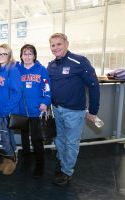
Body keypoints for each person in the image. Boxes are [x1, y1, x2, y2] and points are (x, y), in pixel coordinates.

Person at [47, 33, 100, 186]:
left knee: (71, 142)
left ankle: (67, 171)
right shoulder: (51, 65)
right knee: (59, 139)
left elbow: (93, 86)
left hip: (74, 112)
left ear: (67, 44)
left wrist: (93, 110)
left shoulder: (79, 61)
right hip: (56, 110)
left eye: (59, 44)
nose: (56, 47)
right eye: (53, 45)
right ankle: (63, 163)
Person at [16, 44, 51, 178]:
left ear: (34, 56)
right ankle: (26, 159)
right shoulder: (17, 69)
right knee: (24, 137)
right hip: (22, 111)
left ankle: (40, 164)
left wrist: (45, 102)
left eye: (30, 53)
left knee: (37, 139)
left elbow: (47, 87)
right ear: (21, 56)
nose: (27, 56)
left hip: (36, 110)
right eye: (25, 53)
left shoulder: (41, 69)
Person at [0, 44, 21, 175]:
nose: (1, 56)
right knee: (3, 137)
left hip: (6, 112)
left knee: (8, 137)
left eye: (4, 54)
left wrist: (6, 109)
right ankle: (6, 159)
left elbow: (17, 94)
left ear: (9, 55)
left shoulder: (13, 70)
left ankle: (13, 161)